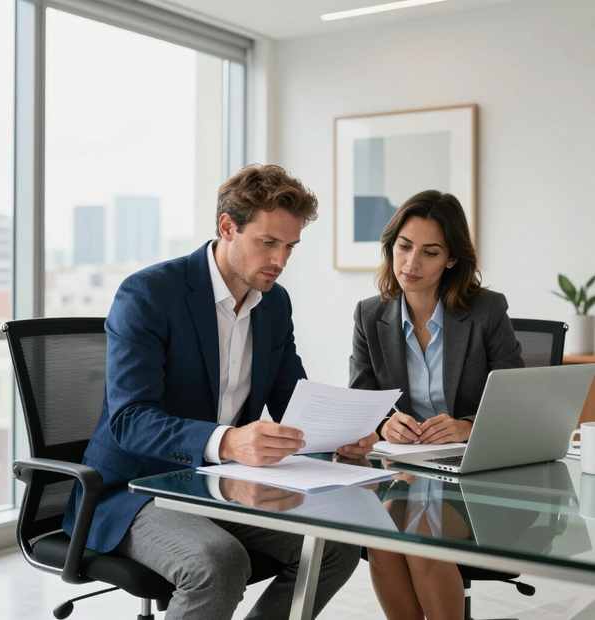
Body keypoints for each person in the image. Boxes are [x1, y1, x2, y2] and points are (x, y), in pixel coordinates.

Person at [64, 164, 374, 620]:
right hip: (134, 490)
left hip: (220, 484)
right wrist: (228, 441)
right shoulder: (149, 294)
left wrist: (339, 434)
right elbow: (130, 420)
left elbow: (293, 398)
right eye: (268, 242)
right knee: (219, 562)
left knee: (337, 542)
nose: (280, 261)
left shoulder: (273, 303)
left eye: (290, 246)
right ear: (227, 227)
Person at [349, 189, 524, 620]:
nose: (411, 263)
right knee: (382, 538)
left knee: (421, 536)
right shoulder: (370, 315)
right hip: (406, 472)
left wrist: (467, 425)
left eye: (429, 252)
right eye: (404, 247)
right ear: (391, 246)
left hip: (476, 476)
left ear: (450, 259)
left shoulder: (485, 310)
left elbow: (518, 403)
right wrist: (385, 423)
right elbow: (361, 401)